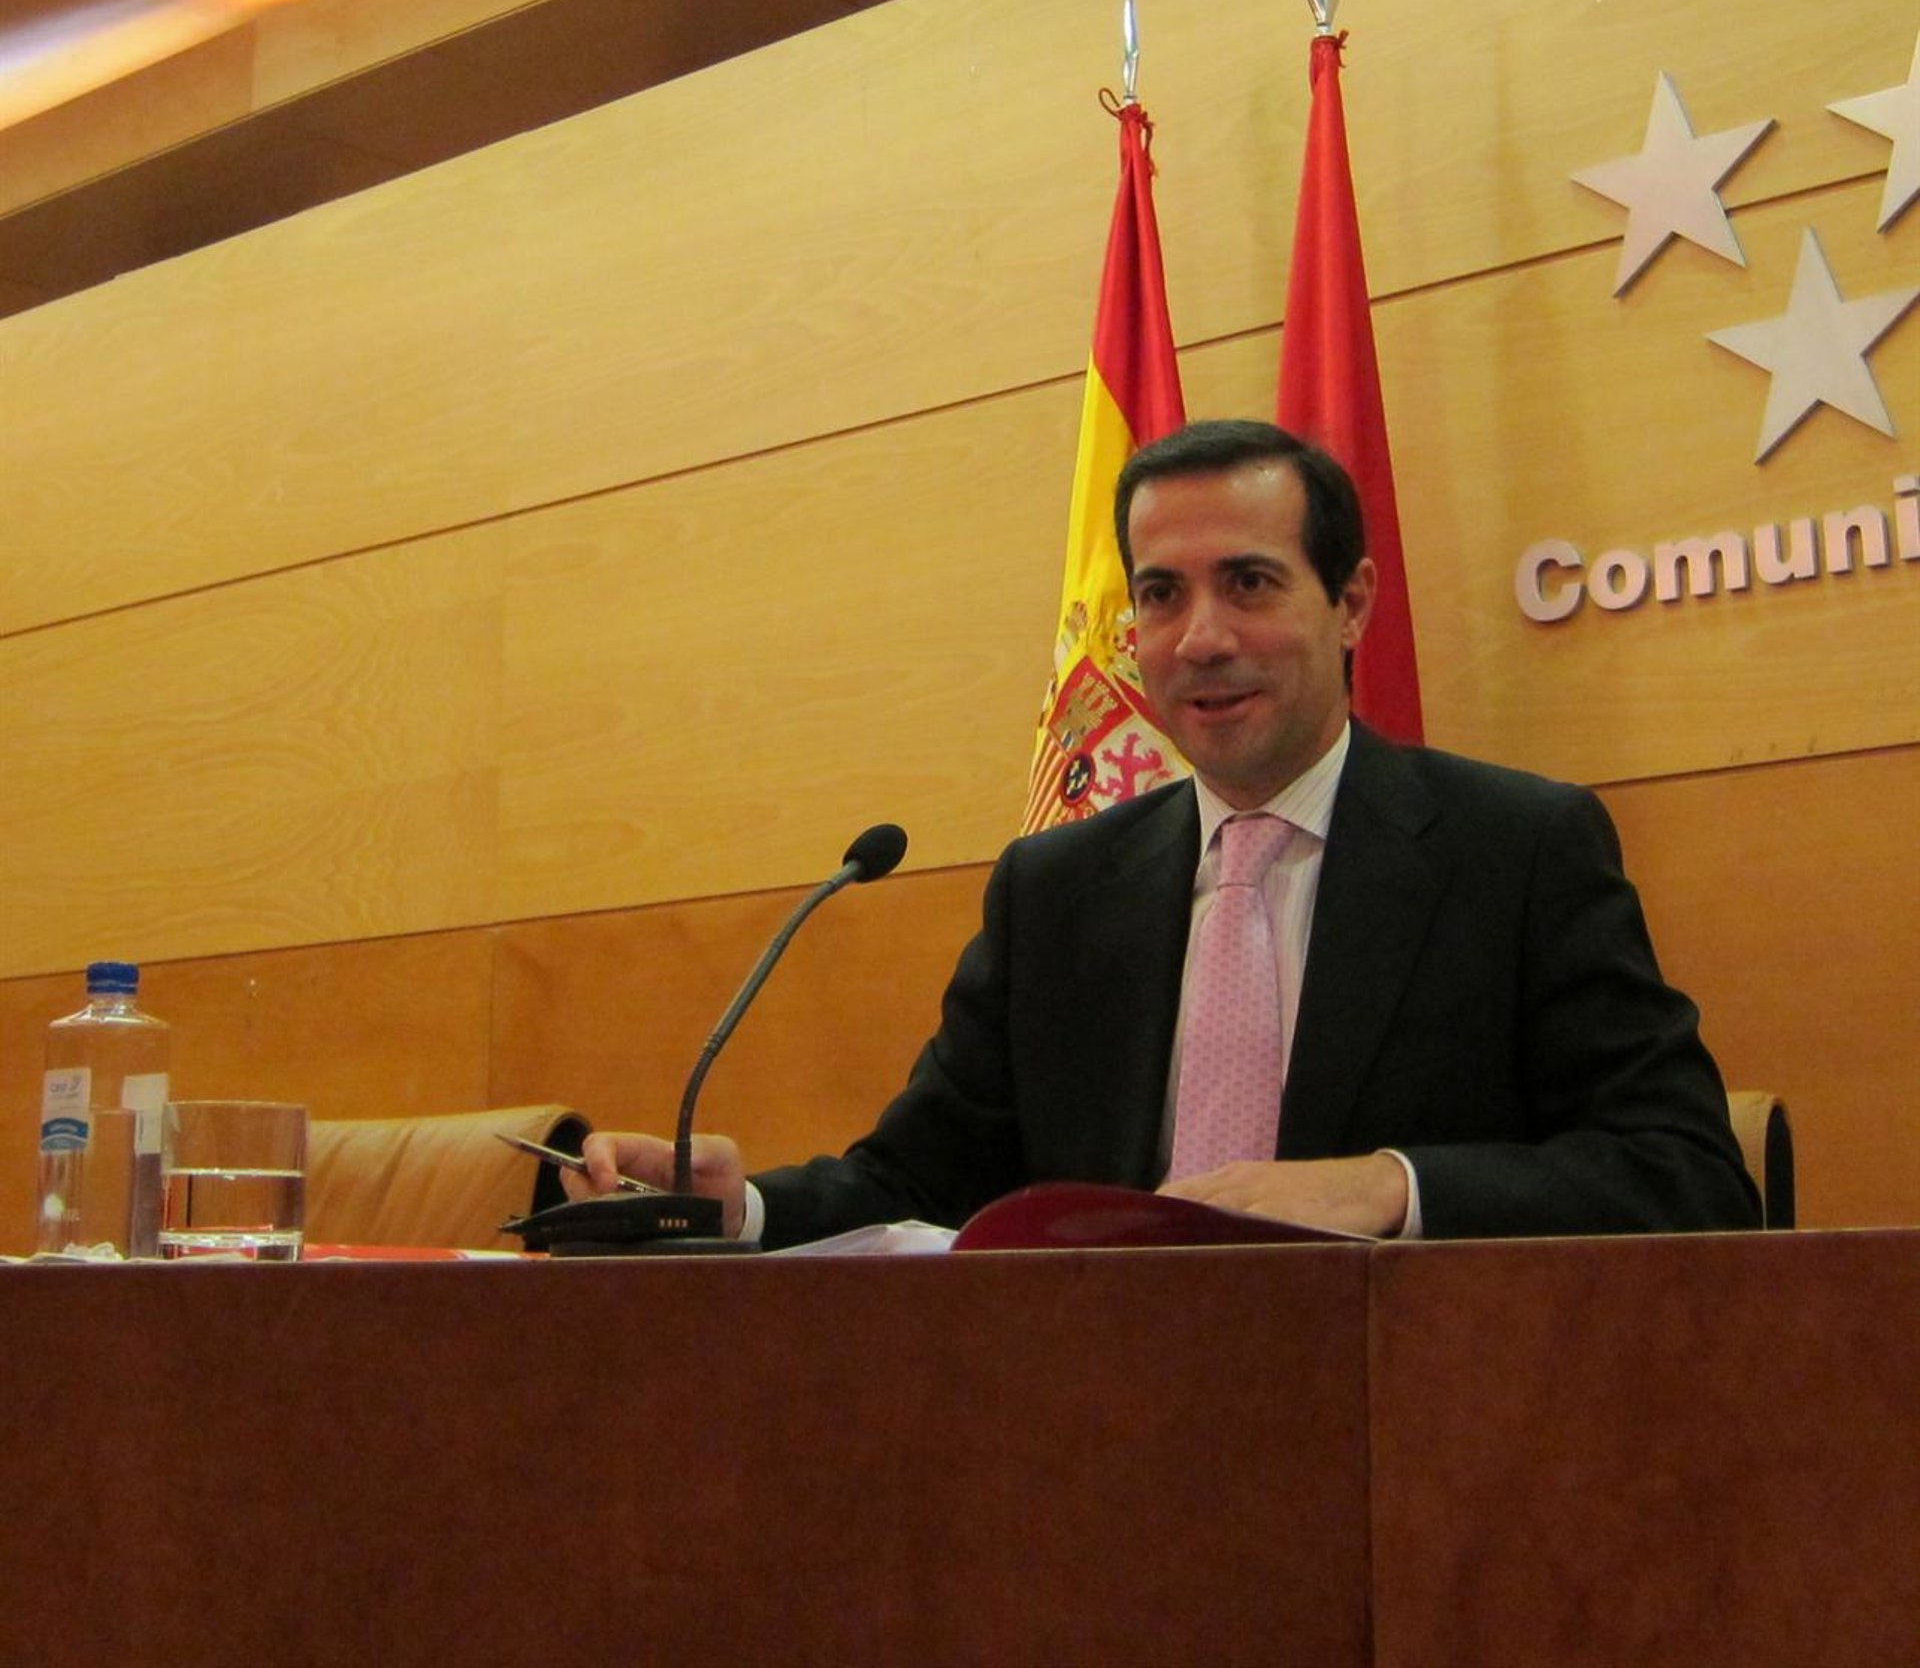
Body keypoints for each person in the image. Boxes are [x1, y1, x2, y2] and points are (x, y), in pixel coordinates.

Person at [572, 420, 1759, 1243]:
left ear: (1351, 604)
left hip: (1405, 1425)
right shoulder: (1057, 888)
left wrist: (1387, 1188)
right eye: (1160, 594)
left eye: (1249, 583)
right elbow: (922, 1178)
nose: (1200, 639)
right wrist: (737, 1207)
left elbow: (1688, 1172)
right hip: (1108, 1424)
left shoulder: (1518, 850)